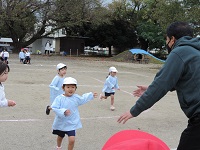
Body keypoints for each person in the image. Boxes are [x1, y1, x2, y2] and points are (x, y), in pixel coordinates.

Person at [117, 21, 200, 150]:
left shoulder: (179, 52)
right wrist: (150, 88)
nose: (167, 43)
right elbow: (184, 79)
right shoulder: (195, 52)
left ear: (172, 39)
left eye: (167, 39)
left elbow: (161, 84)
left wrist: (134, 110)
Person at [51, 77, 98, 150]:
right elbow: (54, 108)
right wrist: (63, 111)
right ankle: (58, 147)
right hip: (61, 123)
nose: (70, 89)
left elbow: (83, 99)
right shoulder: (59, 98)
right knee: (60, 137)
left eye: (73, 87)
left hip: (71, 123)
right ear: (63, 88)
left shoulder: (76, 97)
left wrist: (90, 95)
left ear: (75, 88)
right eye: (68, 87)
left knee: (72, 140)